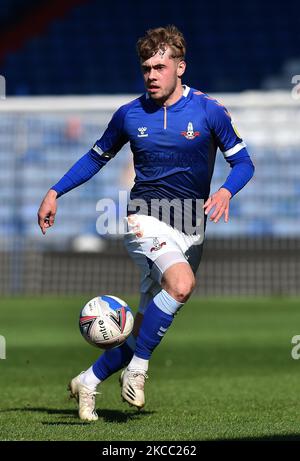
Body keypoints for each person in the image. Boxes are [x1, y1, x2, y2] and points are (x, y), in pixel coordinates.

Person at [37, 25, 255, 422]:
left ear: (180, 67)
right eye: (146, 68)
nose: (151, 75)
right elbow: (95, 157)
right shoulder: (129, 114)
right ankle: (138, 371)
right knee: (183, 284)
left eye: (159, 66)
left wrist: (225, 192)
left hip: (192, 227)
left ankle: (88, 380)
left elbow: (243, 162)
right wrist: (55, 192)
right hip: (146, 220)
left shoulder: (209, 111)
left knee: (145, 326)